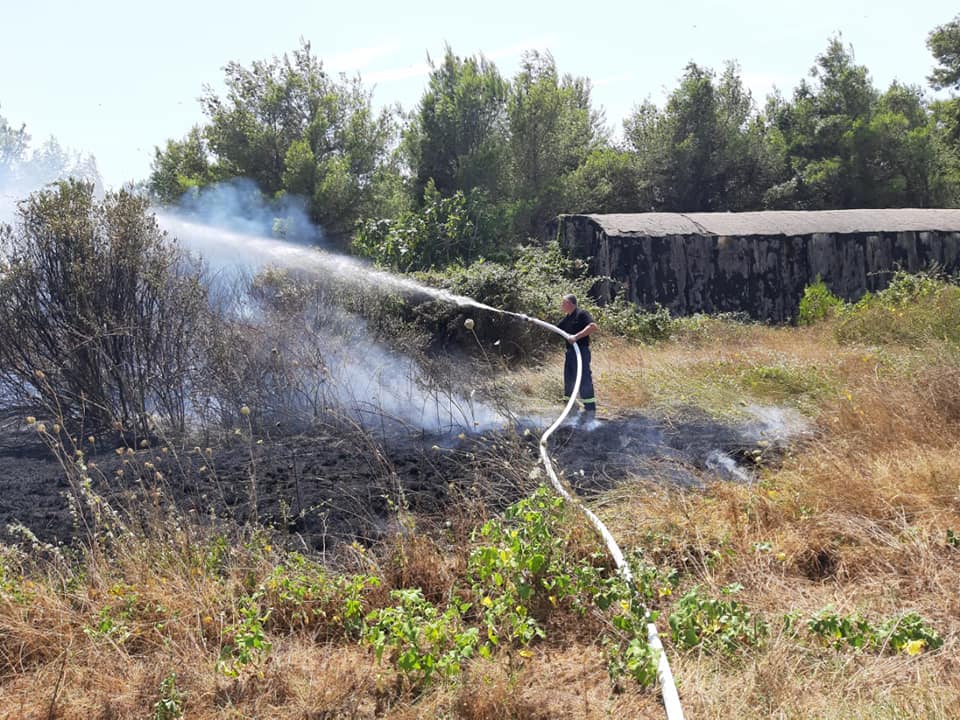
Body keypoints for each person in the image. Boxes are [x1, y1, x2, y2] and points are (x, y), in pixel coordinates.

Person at [556, 294, 598, 419]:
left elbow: (593, 327)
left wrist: (576, 337)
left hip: (581, 352)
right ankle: (571, 409)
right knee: (569, 380)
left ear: (570, 303)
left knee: (584, 379)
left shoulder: (581, 314)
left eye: (563, 303)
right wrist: (534, 322)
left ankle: (589, 410)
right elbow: (556, 329)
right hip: (570, 353)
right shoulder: (567, 318)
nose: (562, 306)